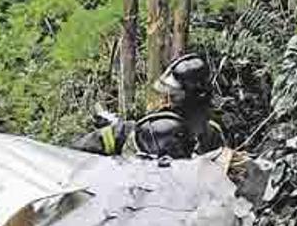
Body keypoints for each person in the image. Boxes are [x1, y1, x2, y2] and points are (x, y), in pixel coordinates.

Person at [71, 53, 224, 158]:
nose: (163, 102)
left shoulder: (212, 137)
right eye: (165, 96)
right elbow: (72, 155)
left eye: (170, 96)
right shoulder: (134, 132)